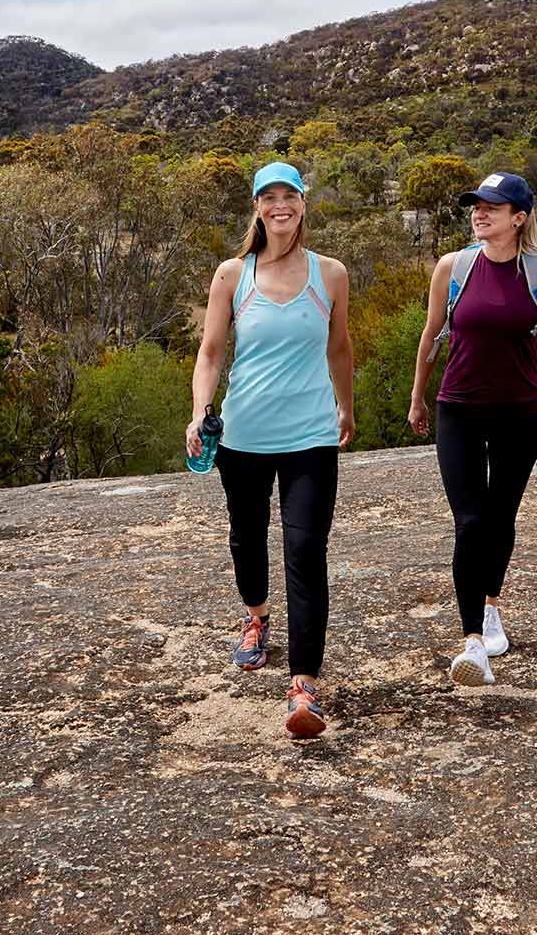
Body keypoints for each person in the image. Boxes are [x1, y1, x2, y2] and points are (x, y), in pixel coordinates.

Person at [187, 161, 354, 738]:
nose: (280, 205)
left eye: (290, 195)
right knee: (246, 536)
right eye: (269, 197)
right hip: (244, 435)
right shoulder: (233, 275)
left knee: (306, 551)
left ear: (303, 203)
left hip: (310, 435)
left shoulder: (330, 274)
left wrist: (346, 409)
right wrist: (198, 410)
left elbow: (340, 348)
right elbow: (210, 352)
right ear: (257, 207)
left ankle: (305, 686)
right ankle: (256, 617)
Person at [408, 171, 537, 687]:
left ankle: (491, 604)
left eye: (493, 207)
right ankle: (473, 643)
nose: (480, 214)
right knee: (471, 521)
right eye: (476, 206)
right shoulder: (452, 266)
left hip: (518, 413)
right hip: (458, 408)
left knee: (501, 517)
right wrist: (418, 396)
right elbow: (432, 334)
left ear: (518, 217)